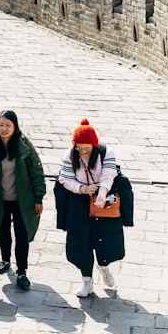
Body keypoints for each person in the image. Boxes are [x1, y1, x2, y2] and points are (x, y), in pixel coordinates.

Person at [0, 109, 45, 291]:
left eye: (8, 125)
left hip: (23, 200)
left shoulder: (24, 146)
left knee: (22, 235)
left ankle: (22, 272)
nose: (4, 129)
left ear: (15, 127)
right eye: (1, 125)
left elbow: (37, 173)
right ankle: (5, 260)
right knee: (2, 230)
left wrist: (38, 198)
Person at [57, 118, 126, 297]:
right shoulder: (70, 154)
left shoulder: (106, 152)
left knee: (105, 238)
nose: (83, 152)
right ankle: (87, 281)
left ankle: (103, 267)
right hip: (79, 202)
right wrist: (83, 189)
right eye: (79, 148)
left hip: (104, 199)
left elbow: (109, 173)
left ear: (94, 145)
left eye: (87, 148)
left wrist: (102, 193)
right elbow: (65, 179)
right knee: (81, 242)